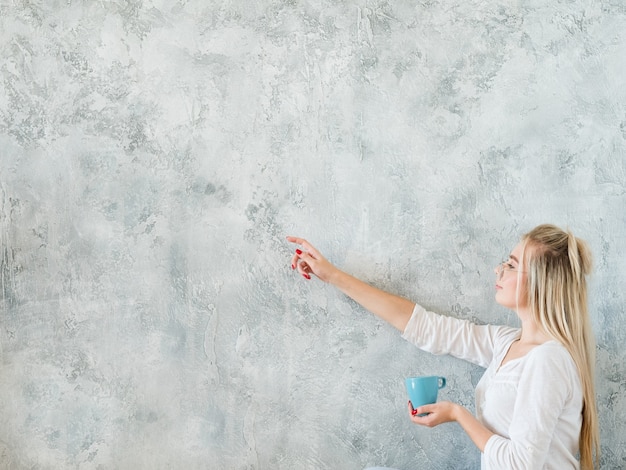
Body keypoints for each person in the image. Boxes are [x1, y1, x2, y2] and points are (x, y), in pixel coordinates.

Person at [287, 224, 600, 470]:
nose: (498, 269)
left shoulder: (548, 360)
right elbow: (425, 327)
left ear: (539, 283)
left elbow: (521, 464)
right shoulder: (507, 342)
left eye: (511, 265)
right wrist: (332, 276)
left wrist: (458, 414)